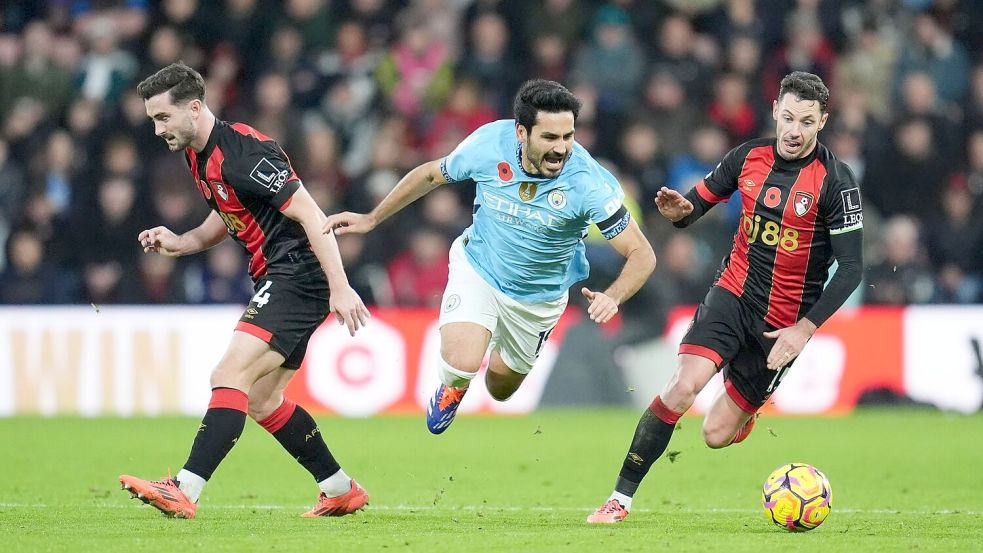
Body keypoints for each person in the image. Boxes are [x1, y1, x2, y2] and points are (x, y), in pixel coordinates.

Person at [586, 71, 865, 524]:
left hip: (783, 325)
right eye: (789, 117)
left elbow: (851, 268)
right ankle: (619, 500)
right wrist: (681, 211)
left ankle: (743, 415)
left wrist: (804, 329)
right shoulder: (748, 157)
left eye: (807, 122)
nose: (794, 131)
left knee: (715, 434)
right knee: (681, 389)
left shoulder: (836, 181)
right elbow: (697, 203)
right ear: (775, 110)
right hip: (732, 295)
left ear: (823, 122)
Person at [325, 79, 656, 434]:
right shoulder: (487, 145)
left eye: (568, 136)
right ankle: (453, 386)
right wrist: (372, 218)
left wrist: (614, 295)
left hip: (538, 299)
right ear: (521, 132)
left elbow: (642, 253)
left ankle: (493, 358)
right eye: (549, 138)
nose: (561, 149)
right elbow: (429, 175)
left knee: (500, 389)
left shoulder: (589, 183)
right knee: (462, 363)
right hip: (479, 268)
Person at [118, 63, 371, 519]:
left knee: (228, 375)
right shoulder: (197, 153)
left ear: (194, 108)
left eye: (162, 118)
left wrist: (341, 286)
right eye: (153, 119)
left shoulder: (244, 153)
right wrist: (184, 241)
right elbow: (229, 211)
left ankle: (184, 489)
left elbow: (312, 214)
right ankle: (339, 488)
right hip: (282, 275)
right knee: (260, 399)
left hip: (298, 272)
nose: (157, 130)